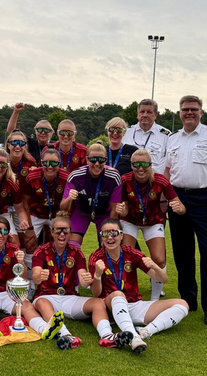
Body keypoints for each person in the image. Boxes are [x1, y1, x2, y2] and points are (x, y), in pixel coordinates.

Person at [164, 95, 207, 326]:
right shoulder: (172, 138)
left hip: (206, 200)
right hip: (177, 197)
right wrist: (166, 199)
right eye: (185, 109)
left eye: (193, 109)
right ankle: (187, 301)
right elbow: (166, 173)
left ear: (201, 112)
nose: (189, 113)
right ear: (180, 113)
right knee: (182, 254)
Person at [31, 212, 131, 350]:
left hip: (69, 297)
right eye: (58, 230)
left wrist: (87, 279)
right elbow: (35, 276)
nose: (62, 234)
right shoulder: (41, 250)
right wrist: (39, 275)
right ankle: (65, 335)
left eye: (65, 231)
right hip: (46, 296)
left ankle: (107, 336)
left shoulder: (77, 253)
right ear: (52, 232)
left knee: (98, 302)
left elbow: (83, 280)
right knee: (41, 302)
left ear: (70, 233)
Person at [89, 218, 189, 350]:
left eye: (114, 233)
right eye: (105, 234)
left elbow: (163, 279)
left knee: (182, 305)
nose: (110, 237)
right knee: (118, 294)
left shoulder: (131, 253)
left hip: (134, 304)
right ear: (101, 237)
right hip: (110, 306)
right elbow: (95, 293)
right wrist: (97, 275)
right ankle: (133, 337)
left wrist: (155, 266)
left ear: (121, 235)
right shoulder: (96, 257)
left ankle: (145, 332)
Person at [0, 216, 64, 340]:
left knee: (26, 306)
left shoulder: (13, 249)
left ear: (8, 233)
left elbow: (22, 277)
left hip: (8, 291)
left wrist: (21, 262)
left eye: (4, 231)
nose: (0, 235)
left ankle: (44, 328)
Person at [119, 149, 185, 301]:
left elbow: (181, 207)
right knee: (126, 256)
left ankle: (154, 299)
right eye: (136, 164)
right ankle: (128, 293)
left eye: (144, 164)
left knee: (159, 259)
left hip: (153, 221)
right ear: (131, 165)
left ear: (150, 165)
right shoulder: (125, 180)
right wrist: (122, 210)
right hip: (130, 220)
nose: (140, 168)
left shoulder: (160, 180)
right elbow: (123, 207)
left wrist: (179, 209)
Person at [60, 143, 124, 245]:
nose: (97, 164)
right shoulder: (75, 176)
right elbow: (63, 207)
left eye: (101, 160)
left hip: (104, 213)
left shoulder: (114, 176)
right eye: (93, 160)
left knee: (108, 242)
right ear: (87, 160)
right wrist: (69, 199)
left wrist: (109, 231)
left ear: (106, 160)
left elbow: (114, 209)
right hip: (81, 212)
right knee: (72, 244)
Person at [21, 147, 70, 266]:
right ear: (41, 163)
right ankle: (31, 279)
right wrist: (29, 228)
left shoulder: (66, 177)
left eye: (54, 163)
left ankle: (53, 271)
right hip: (35, 213)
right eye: (46, 163)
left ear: (59, 164)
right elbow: (25, 203)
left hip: (56, 214)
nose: (50, 166)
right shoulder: (32, 177)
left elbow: (69, 204)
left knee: (58, 241)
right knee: (29, 242)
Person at [122, 99, 172, 174]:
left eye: (149, 112)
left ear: (156, 114)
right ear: (137, 114)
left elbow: (170, 164)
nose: (145, 115)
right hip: (130, 182)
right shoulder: (126, 133)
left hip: (154, 181)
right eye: (142, 112)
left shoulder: (166, 136)